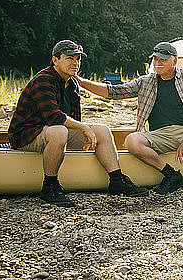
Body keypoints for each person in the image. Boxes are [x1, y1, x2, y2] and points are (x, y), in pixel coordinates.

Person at [8, 40, 149, 207]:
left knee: (102, 130)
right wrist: (83, 128)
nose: (75, 63)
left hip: (54, 131)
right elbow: (53, 117)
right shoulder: (43, 80)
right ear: (55, 60)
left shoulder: (73, 82)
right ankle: (50, 187)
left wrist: (85, 131)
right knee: (59, 131)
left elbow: (74, 119)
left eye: (78, 59)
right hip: (26, 135)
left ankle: (117, 180)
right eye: (69, 58)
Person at [77, 41, 183, 197]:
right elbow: (114, 92)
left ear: (174, 60)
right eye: (156, 60)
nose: (158, 63)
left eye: (163, 60)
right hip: (160, 135)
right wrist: (80, 82)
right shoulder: (146, 81)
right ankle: (172, 175)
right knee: (132, 140)